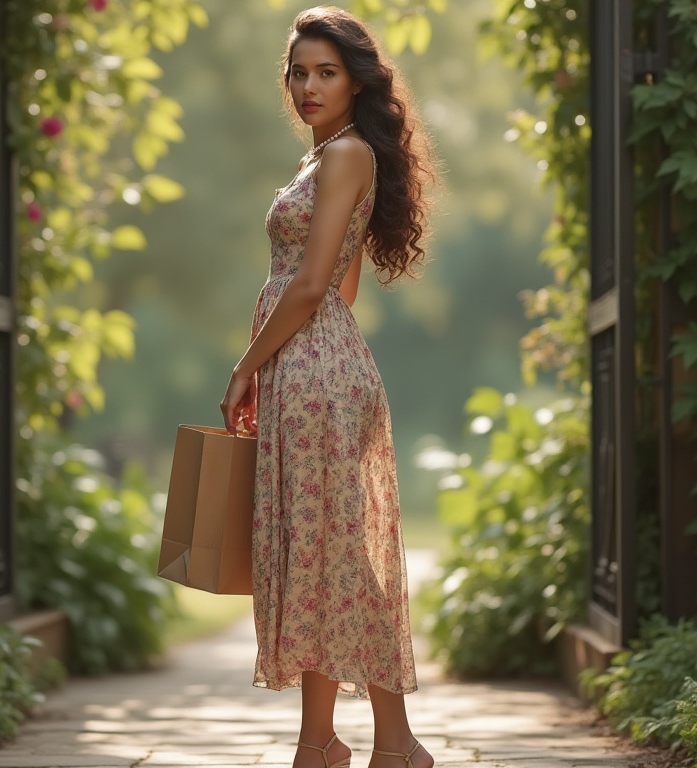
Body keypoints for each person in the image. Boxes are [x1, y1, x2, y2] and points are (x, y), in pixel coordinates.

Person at [219, 6, 437, 768]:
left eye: (326, 71)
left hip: (314, 372)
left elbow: (314, 285)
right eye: (299, 71)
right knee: (336, 555)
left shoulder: (345, 157)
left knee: (326, 554)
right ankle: (391, 744)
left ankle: (323, 745)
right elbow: (337, 286)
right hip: (314, 367)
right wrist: (279, 365)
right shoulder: (324, 159)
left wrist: (249, 364)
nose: (308, 85)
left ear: (356, 81)